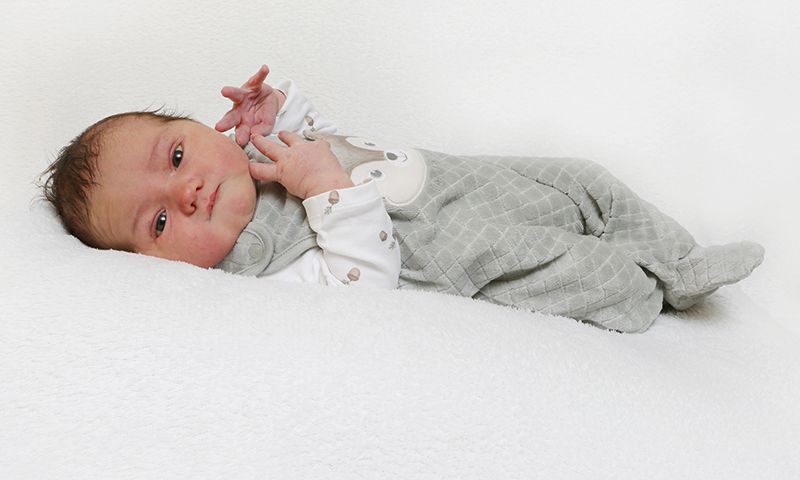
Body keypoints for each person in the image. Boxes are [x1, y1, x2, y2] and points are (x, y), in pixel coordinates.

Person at [41, 65, 764, 333]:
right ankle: (651, 288)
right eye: (158, 219)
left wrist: (282, 115)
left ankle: (681, 256)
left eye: (175, 156)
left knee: (582, 178)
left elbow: (331, 141)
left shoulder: (257, 158)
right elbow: (359, 291)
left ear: (203, 128)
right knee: (574, 265)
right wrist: (324, 190)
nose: (188, 188)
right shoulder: (260, 270)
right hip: (457, 251)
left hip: (459, 181)